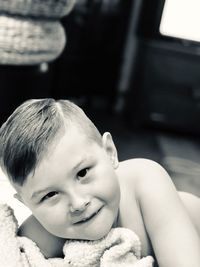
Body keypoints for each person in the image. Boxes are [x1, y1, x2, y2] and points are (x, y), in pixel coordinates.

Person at [0, 98, 199, 267]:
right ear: (26, 204)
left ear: (110, 152)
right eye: (50, 195)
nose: (78, 203)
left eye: (83, 173)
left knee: (186, 203)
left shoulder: (146, 182)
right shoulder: (38, 237)